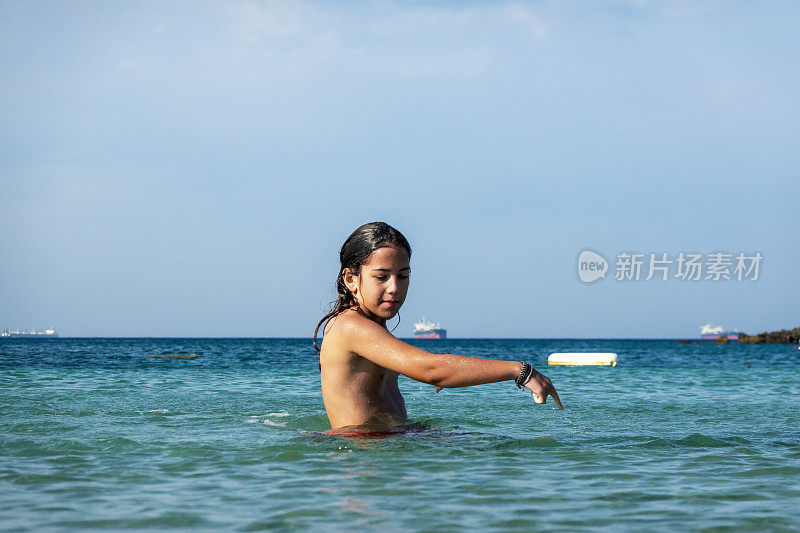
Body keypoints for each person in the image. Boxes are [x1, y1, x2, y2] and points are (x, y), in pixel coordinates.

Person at [314, 222, 562, 433]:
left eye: (403, 275)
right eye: (381, 277)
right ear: (351, 280)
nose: (394, 288)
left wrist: (448, 370)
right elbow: (432, 369)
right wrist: (520, 370)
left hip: (389, 446)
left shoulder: (371, 327)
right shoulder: (350, 326)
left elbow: (432, 368)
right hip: (362, 461)